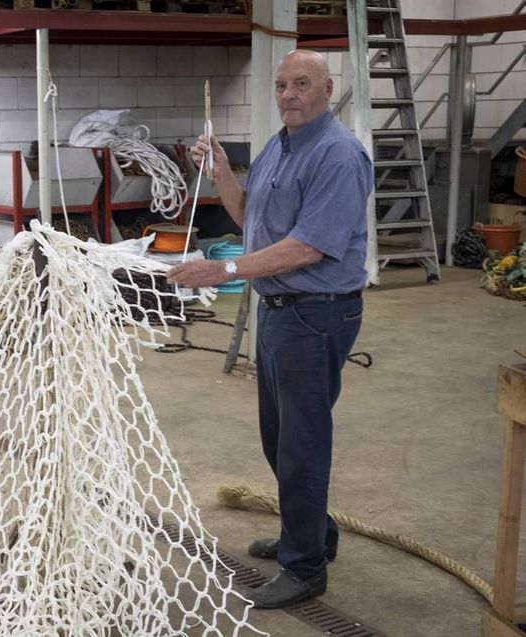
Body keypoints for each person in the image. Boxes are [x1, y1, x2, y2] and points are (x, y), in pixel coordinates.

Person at [166, 49, 373, 609]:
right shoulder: (281, 146)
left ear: (327, 90)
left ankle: (304, 567)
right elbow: (252, 219)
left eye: (301, 84)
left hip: (317, 311)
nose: (288, 94)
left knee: (301, 443)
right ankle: (313, 534)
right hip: (282, 312)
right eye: (281, 85)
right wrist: (221, 174)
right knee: (279, 439)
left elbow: (308, 245)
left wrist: (225, 267)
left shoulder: (337, 154)